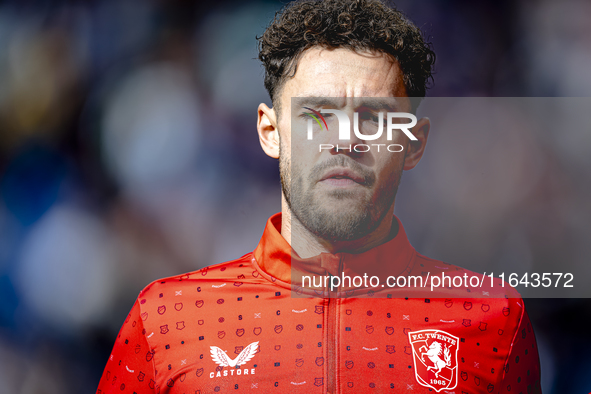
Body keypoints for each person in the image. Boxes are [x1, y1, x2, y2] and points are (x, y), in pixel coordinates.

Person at [97, 0, 541, 393]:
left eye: (374, 118)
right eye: (317, 114)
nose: (345, 140)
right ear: (270, 132)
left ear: (413, 144)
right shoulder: (166, 321)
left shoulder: (494, 321)